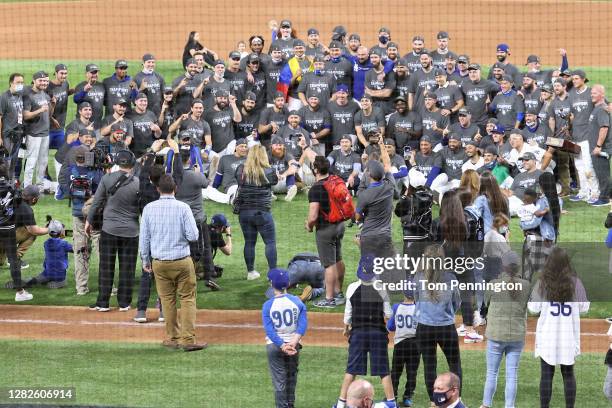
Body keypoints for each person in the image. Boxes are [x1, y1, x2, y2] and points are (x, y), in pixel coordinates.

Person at [139, 174, 205, 352]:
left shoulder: (148, 208)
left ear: (158, 189)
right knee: (187, 299)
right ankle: (188, 340)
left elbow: (144, 238)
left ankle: (172, 338)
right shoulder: (183, 208)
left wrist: (145, 260)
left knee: (167, 300)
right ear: (175, 189)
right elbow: (193, 236)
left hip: (159, 263)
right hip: (182, 261)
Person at [528, 247, 590, 408]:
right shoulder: (575, 282)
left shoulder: (543, 282)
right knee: (569, 374)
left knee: (546, 375)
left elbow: (533, 308)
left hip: (548, 337)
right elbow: (585, 307)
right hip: (568, 338)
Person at [334, 256, 396, 408]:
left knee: (351, 370)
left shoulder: (351, 288)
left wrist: (346, 329)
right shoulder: (381, 287)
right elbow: (388, 315)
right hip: (377, 334)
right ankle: (391, 403)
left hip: (358, 334)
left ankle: (341, 404)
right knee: (384, 371)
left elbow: (347, 316)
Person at [86, 150, 140, 312]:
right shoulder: (137, 182)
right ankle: (124, 303)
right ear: (132, 164)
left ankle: (103, 303)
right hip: (131, 232)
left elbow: (96, 203)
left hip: (109, 230)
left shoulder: (107, 178)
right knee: (127, 268)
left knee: (106, 266)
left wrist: (88, 221)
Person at [480, 251, 531, 408]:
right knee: (512, 375)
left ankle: (486, 405)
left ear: (503, 266)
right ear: (518, 267)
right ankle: (510, 406)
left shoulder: (493, 284)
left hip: (496, 335)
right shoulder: (526, 285)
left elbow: (485, 305)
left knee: (491, 373)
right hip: (516, 336)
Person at [414, 245, 462, 403]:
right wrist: (448, 314)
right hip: (446, 327)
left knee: (429, 365)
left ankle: (434, 402)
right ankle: (454, 400)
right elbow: (457, 302)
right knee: (454, 364)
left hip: (424, 327)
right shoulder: (450, 277)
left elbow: (416, 299)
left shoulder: (418, 277)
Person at [57, 141, 103, 295]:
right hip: (95, 216)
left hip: (77, 215)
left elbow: (64, 188)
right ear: (88, 157)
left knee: (81, 251)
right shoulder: (96, 173)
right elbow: (102, 193)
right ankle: (108, 287)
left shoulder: (69, 171)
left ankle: (81, 288)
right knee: (101, 252)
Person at [262, 268, 308, 408]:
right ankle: (290, 404)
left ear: (271, 284)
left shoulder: (267, 306)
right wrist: (293, 342)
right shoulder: (297, 302)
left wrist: (282, 345)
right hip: (294, 346)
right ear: (288, 283)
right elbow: (303, 324)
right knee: (291, 377)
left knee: (279, 381)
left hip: (274, 347)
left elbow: (269, 330)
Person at [306, 156, 346, 308]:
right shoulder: (335, 180)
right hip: (340, 225)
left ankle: (329, 299)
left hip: (325, 229)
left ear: (315, 169)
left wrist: (309, 226)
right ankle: (339, 293)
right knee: (338, 258)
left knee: (328, 264)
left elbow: (313, 216)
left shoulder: (316, 188)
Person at [234, 145, 279, 280]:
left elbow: (239, 180)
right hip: (262, 212)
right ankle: (272, 274)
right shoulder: (269, 171)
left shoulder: (240, 169)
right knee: (270, 242)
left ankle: (250, 272)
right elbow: (275, 181)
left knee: (249, 242)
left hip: (245, 213)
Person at [0, 164, 33, 301]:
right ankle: (20, 292)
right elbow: (19, 204)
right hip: (7, 228)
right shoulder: (12, 188)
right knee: (13, 260)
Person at [3, 185, 49, 272]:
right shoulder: (26, 209)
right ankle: (14, 258)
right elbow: (34, 230)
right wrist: (49, 229)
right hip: (4, 238)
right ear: (34, 199)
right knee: (32, 233)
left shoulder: (10, 197)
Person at [387, 289, 419, 408]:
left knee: (395, 371)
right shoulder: (418, 307)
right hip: (415, 345)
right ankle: (407, 398)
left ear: (404, 294)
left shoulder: (396, 307)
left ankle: (392, 396)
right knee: (412, 372)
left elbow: (390, 327)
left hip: (400, 344)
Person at [23, 71, 52, 189]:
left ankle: (39, 187)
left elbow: (49, 114)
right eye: (41, 80)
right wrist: (40, 110)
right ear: (34, 81)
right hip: (34, 134)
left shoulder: (45, 95)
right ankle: (27, 188)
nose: (44, 83)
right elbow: (26, 115)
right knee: (31, 162)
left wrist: (52, 105)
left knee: (43, 162)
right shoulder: (29, 95)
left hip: (45, 133)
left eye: (46, 81)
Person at [24, 220, 73, 289]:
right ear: (61, 232)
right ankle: (58, 284)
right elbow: (75, 249)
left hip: (47, 272)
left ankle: (29, 282)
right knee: (62, 282)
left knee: (39, 278)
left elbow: (56, 243)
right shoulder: (64, 244)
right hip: (60, 275)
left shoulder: (46, 243)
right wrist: (74, 237)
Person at [589, 84, 611, 206]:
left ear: (602, 95)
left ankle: (604, 199)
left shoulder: (602, 109)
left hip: (601, 148)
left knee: (603, 174)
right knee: (600, 173)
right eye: (591, 92)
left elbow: (604, 128)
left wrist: (598, 146)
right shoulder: (598, 107)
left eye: (595, 93)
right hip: (596, 148)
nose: (592, 94)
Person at [0, 73, 25, 181]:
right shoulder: (4, 97)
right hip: (7, 135)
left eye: (22, 82)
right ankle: (4, 183)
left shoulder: (19, 95)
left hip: (18, 133)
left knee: (14, 160)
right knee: (6, 161)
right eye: (18, 82)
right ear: (11, 83)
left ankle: (10, 183)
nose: (20, 85)